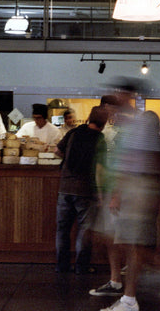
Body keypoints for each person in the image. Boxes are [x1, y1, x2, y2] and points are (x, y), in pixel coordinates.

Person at [100, 110, 160, 311]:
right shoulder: (158, 144)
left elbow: (127, 169)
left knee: (134, 246)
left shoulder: (137, 143)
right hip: (149, 194)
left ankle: (129, 299)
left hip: (136, 196)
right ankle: (129, 294)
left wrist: (117, 195)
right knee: (137, 245)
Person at [54, 106, 108, 274]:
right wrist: (101, 194)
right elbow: (101, 169)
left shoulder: (74, 133)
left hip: (65, 187)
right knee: (84, 230)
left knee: (63, 229)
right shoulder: (100, 139)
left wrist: (70, 159)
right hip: (85, 190)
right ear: (104, 123)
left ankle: (61, 266)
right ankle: (81, 267)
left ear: (89, 119)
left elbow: (57, 151)